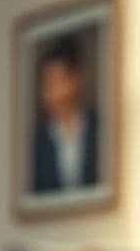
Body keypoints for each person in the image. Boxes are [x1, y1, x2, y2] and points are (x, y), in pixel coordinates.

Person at [32, 33, 99, 193]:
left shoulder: (99, 130)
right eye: (48, 85)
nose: (54, 95)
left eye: (59, 82)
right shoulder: (38, 144)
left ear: (76, 80)